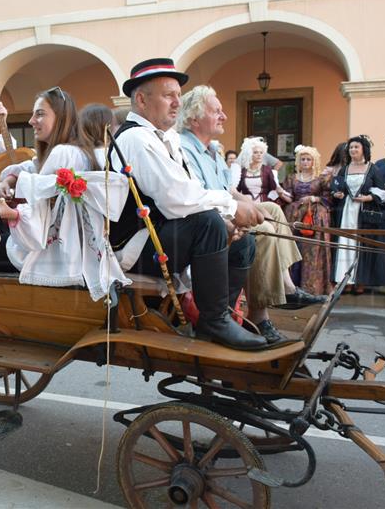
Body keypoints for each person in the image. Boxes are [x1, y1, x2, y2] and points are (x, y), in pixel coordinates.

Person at [107, 59, 268, 350]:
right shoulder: (135, 138)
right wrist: (231, 208)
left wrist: (229, 215)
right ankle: (213, 320)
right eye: (169, 95)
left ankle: (224, 318)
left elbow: (192, 190)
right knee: (207, 223)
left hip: (161, 236)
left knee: (243, 242)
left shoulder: (166, 138)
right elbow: (177, 200)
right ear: (141, 99)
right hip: (136, 246)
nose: (177, 103)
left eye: (179, 96)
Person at [178, 85, 324, 343]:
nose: (224, 116)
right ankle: (259, 316)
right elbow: (199, 197)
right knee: (263, 231)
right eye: (217, 111)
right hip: (208, 219)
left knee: (274, 210)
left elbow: (228, 189)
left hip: (222, 206)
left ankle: (287, 286)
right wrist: (242, 208)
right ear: (194, 119)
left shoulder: (211, 150)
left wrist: (248, 201)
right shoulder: (185, 149)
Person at [0, 87, 100, 274]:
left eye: (40, 114)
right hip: (58, 241)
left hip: (52, 250)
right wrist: (7, 182)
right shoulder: (70, 149)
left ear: (60, 117)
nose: (31, 121)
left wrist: (9, 212)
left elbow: (39, 214)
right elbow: (29, 167)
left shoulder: (63, 152)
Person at [331, 135, 385, 294]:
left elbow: (383, 192)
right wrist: (337, 194)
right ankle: (345, 279)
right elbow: (338, 188)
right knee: (346, 243)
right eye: (351, 147)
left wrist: (369, 197)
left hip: (363, 212)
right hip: (346, 212)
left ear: (363, 149)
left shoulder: (372, 169)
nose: (353, 150)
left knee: (360, 244)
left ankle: (360, 280)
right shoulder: (344, 169)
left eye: (356, 147)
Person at [282, 146, 333, 295]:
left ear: (314, 161)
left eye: (308, 159)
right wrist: (280, 193)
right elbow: (289, 196)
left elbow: (329, 198)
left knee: (312, 250)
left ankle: (311, 287)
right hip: (295, 216)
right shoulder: (292, 177)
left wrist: (314, 198)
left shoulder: (321, 178)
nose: (305, 162)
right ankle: (292, 284)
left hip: (314, 217)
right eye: (303, 159)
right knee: (294, 248)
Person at [235, 137, 287, 203]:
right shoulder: (243, 171)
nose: (259, 154)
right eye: (255, 152)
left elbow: (273, 188)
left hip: (264, 202)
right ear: (250, 154)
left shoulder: (267, 170)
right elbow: (237, 190)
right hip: (247, 203)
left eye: (261, 152)